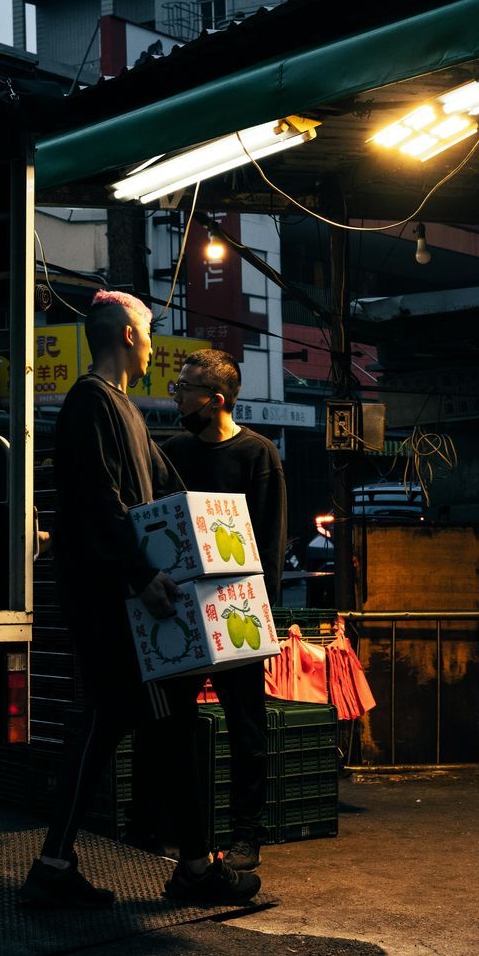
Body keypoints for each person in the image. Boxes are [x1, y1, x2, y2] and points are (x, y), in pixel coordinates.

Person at [22, 292, 262, 908]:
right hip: (115, 603)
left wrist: (215, 544)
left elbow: (169, 488)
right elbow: (101, 501)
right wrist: (140, 576)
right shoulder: (90, 403)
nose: (154, 346)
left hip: (121, 598)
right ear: (129, 337)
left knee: (136, 721)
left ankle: (68, 864)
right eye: (150, 335)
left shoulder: (122, 410)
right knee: (143, 720)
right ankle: (186, 868)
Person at [156, 348, 286, 872]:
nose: (177, 397)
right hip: (182, 607)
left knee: (245, 728)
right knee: (176, 725)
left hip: (238, 608)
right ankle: (184, 833)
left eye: (185, 389)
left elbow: (270, 543)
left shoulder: (258, 455)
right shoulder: (173, 453)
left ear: (215, 399)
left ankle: (245, 835)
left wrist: (262, 617)